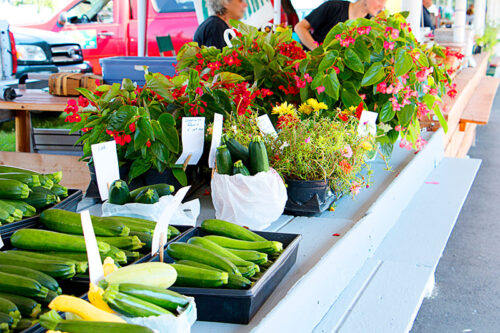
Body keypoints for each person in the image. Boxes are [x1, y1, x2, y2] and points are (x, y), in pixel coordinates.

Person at [294, 0, 387, 51]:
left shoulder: (370, 24)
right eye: (380, 0)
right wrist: (319, 52)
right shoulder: (333, 7)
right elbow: (299, 27)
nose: (382, 5)